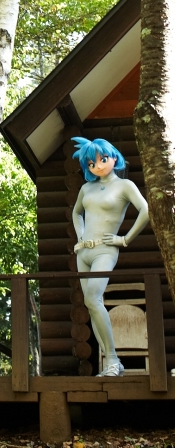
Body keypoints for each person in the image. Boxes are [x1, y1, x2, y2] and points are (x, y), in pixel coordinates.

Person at [71, 136, 149, 377]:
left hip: (106, 250)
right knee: (91, 304)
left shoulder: (125, 185)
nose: (98, 166)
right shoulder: (86, 188)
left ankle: (113, 361)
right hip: (84, 252)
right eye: (91, 163)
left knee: (93, 299)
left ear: (114, 157)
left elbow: (146, 211)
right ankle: (111, 363)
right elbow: (76, 213)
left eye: (102, 159)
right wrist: (80, 235)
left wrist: (124, 239)